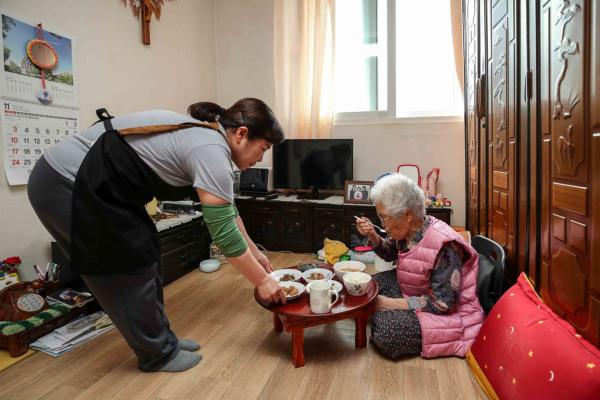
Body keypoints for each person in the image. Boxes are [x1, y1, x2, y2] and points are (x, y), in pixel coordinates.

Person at [27, 98, 286, 372]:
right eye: (263, 148)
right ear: (241, 133)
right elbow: (223, 233)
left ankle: (163, 341)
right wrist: (262, 281)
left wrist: (256, 255)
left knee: (148, 253)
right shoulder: (210, 148)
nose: (260, 158)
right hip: (66, 182)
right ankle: (157, 354)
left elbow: (228, 213)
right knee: (123, 270)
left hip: (105, 188)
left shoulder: (208, 137)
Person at [356, 173, 484, 359]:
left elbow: (442, 304)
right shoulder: (412, 229)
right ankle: (380, 310)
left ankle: (384, 316)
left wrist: (389, 304)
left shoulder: (445, 246)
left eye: (385, 218)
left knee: (385, 330)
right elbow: (390, 253)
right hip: (417, 291)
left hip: (448, 313)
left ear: (407, 214)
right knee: (369, 284)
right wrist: (374, 236)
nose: (383, 225)